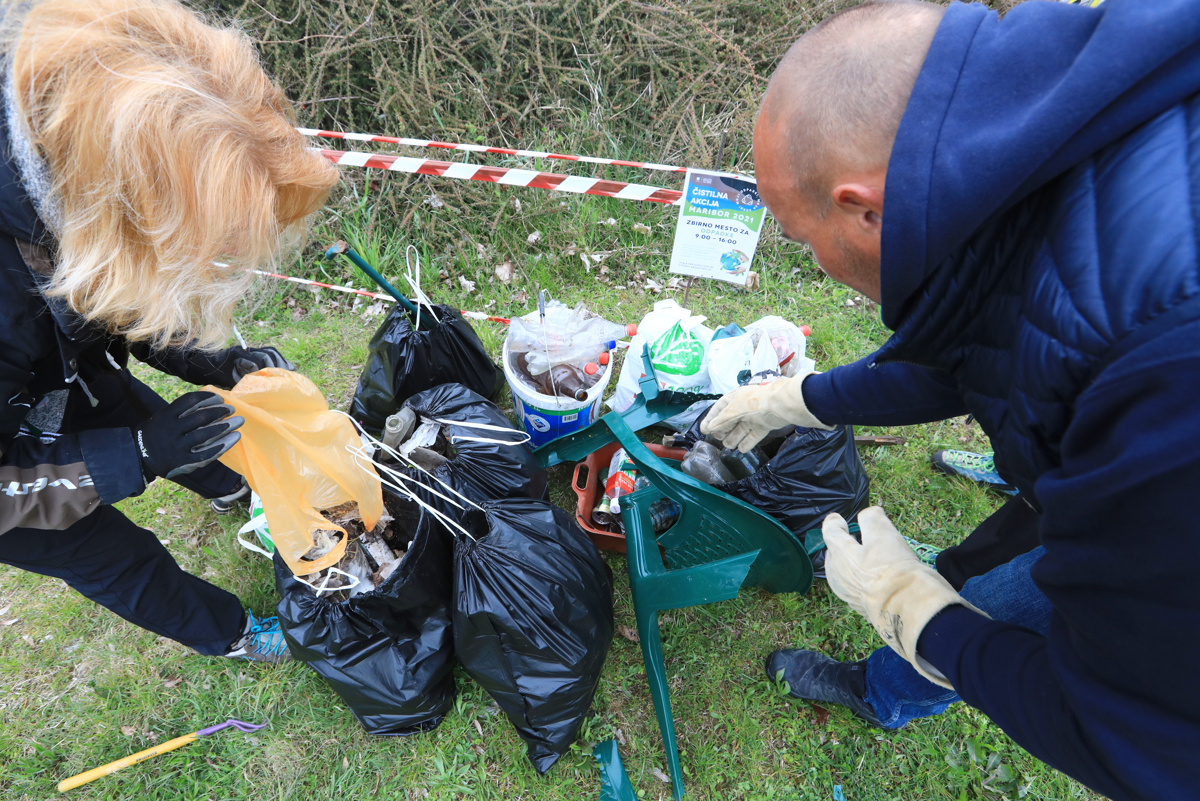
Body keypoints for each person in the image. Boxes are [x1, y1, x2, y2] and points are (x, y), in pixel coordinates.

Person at [701, 1, 1200, 799]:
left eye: (801, 237)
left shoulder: (1161, 376)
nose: (812, 255)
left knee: (986, 609)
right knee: (990, 576)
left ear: (865, 207)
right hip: (1118, 466)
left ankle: (889, 685)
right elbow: (983, 339)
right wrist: (796, 398)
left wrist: (917, 612)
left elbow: (1144, 745)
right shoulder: (1061, 129)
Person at [0, 0, 337, 662]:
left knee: (149, 415)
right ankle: (231, 633)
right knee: (114, 556)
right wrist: (137, 456)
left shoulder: (69, 140)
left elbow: (123, 278)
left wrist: (205, 360)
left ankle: (234, 488)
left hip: (61, 366)